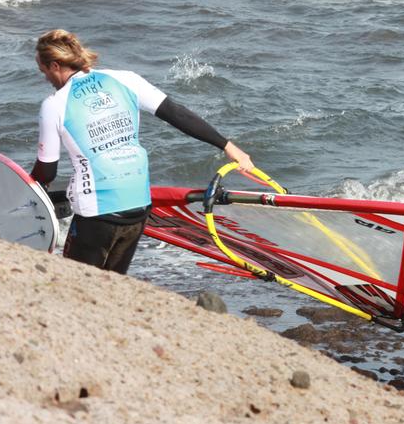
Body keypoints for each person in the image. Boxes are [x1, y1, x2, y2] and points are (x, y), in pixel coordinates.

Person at [29, 29, 254, 274]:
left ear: (55, 65)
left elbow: (47, 171)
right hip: (138, 204)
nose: (46, 78)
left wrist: (27, 188)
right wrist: (229, 146)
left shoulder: (55, 104)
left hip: (97, 210)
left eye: (44, 71)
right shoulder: (126, 79)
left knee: (76, 282)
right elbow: (176, 114)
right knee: (114, 282)